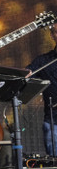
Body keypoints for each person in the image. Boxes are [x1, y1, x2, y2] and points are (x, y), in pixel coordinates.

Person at [26, 22, 57, 156]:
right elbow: (25, 74)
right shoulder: (43, 61)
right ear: (52, 35)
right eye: (56, 31)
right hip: (53, 121)